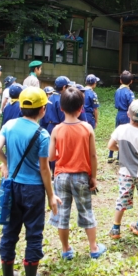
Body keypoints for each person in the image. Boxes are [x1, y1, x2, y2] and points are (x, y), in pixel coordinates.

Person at [0, 87, 61, 276]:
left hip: (12, 186)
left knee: (10, 231)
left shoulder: (10, 124)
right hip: (33, 191)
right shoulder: (42, 135)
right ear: (42, 110)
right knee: (34, 232)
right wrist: (51, 195)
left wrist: (7, 163)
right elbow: (44, 168)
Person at [48, 87, 107, 260]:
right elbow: (93, 155)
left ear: (61, 108)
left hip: (61, 177)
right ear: (81, 108)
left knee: (62, 213)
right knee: (86, 211)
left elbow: (51, 156)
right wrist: (93, 177)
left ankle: (66, 250)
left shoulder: (57, 130)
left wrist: (62, 155)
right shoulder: (87, 128)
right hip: (81, 176)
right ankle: (93, 248)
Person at [107, 99, 138, 239]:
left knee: (122, 198)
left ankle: (116, 228)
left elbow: (110, 146)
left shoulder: (121, 129)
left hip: (126, 173)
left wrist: (121, 150)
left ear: (128, 113)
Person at [40, 76, 69, 173]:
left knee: (49, 150)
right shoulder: (61, 99)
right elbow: (62, 117)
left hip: (49, 126)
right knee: (58, 151)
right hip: (58, 127)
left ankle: (49, 170)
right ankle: (56, 171)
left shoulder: (49, 97)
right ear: (64, 87)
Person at [108, 70, 134, 164]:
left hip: (118, 114)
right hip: (126, 114)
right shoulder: (129, 92)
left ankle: (110, 155)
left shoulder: (117, 91)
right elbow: (131, 106)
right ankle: (119, 157)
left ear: (120, 80)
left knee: (116, 134)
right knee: (124, 136)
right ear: (131, 81)